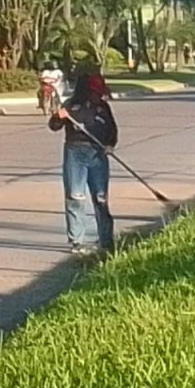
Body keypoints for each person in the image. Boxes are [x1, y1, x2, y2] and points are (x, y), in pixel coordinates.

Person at [48, 73, 118, 255]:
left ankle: (106, 241)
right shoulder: (71, 105)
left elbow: (112, 129)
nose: (98, 96)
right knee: (75, 197)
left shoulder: (103, 107)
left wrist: (110, 145)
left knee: (101, 198)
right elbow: (54, 126)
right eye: (94, 92)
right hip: (75, 153)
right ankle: (76, 241)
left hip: (98, 153)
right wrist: (59, 117)